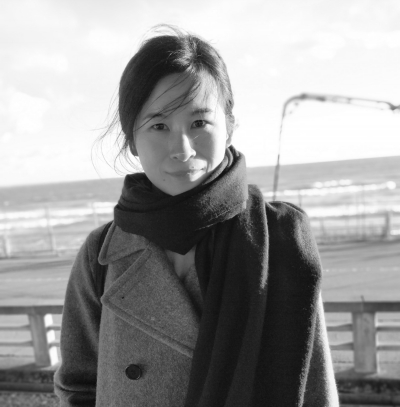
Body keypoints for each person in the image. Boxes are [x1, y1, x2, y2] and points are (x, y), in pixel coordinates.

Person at [54, 26, 339, 407]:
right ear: (132, 138)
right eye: (159, 126)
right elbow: (78, 385)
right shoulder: (101, 253)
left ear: (230, 126)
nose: (182, 149)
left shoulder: (281, 240)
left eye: (199, 123)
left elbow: (314, 387)